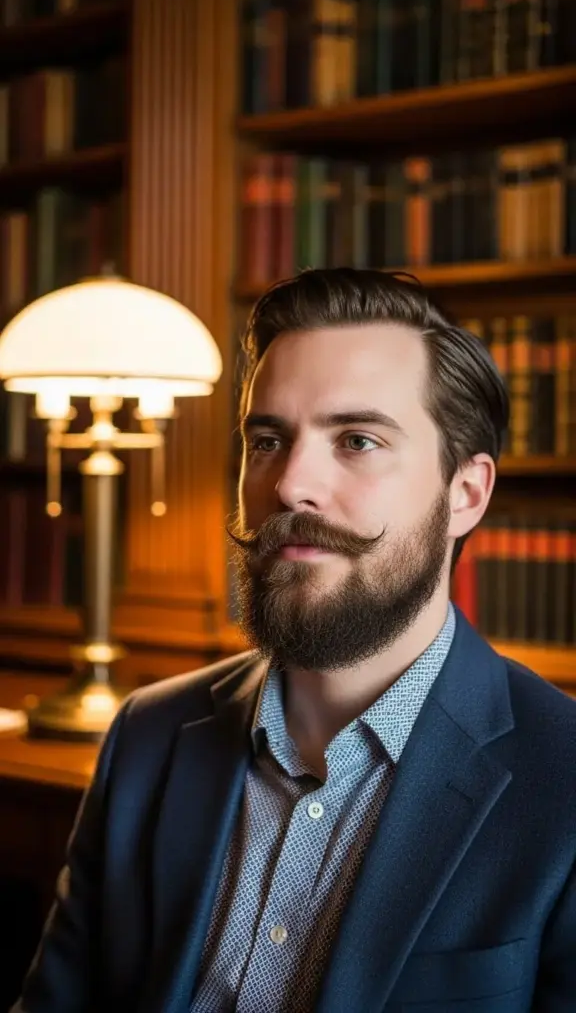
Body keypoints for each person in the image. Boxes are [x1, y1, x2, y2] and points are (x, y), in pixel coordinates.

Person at [13, 268, 576, 1013]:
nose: (289, 486)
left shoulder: (563, 778)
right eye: (268, 440)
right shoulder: (148, 736)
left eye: (357, 439)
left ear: (465, 494)